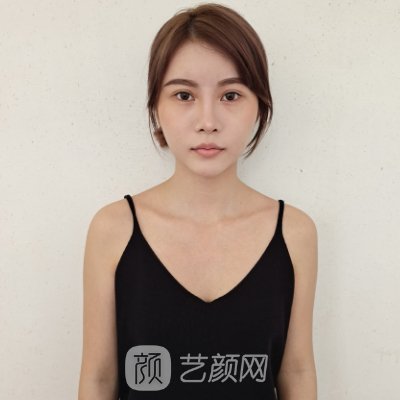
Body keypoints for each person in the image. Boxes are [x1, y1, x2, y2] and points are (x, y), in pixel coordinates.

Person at [78, 3, 318, 399]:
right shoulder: (113, 229)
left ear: (259, 106)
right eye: (184, 95)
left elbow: (296, 371)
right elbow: (100, 378)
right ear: (156, 107)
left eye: (231, 95)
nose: (208, 121)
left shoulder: (294, 232)